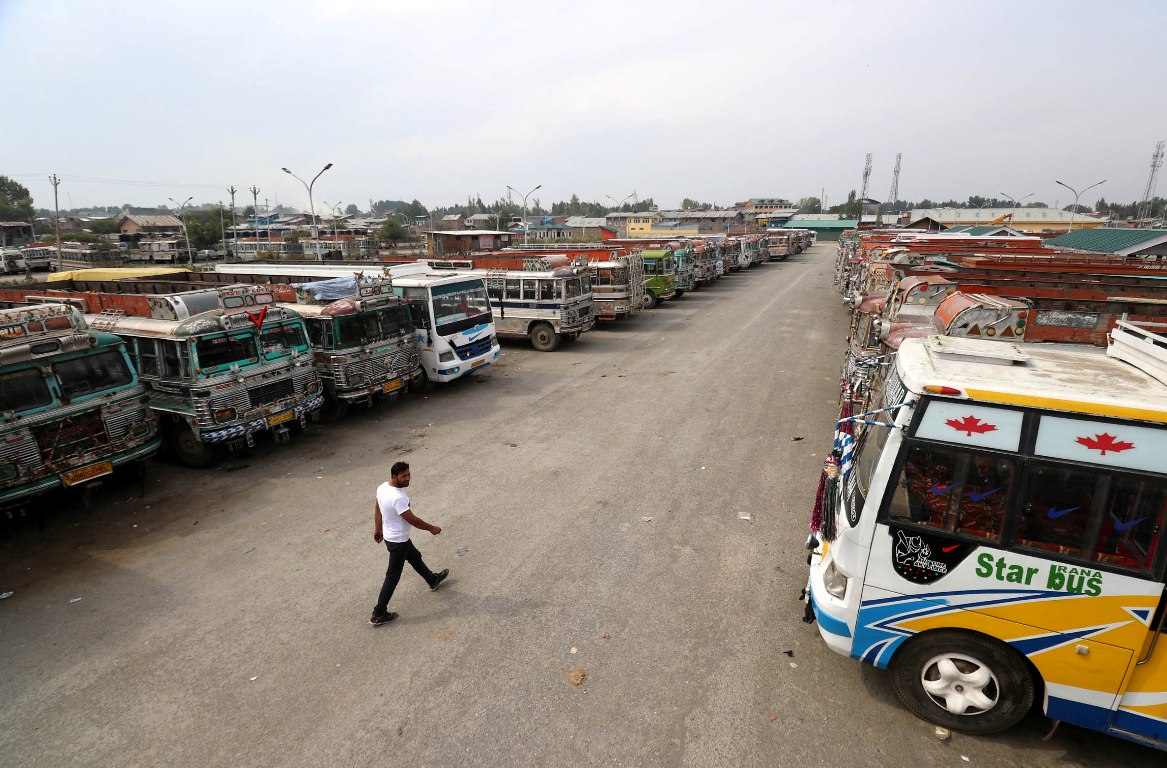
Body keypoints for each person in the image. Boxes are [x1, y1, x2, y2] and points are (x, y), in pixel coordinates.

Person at [370, 461, 449, 626]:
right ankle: (379, 613)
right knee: (392, 577)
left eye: (408, 474)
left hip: (395, 539)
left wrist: (378, 529)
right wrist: (431, 528)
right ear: (394, 477)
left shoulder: (382, 487)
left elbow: (378, 508)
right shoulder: (398, 497)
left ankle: (432, 579)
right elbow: (412, 520)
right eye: (403, 476)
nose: (407, 478)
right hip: (398, 541)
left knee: (415, 557)